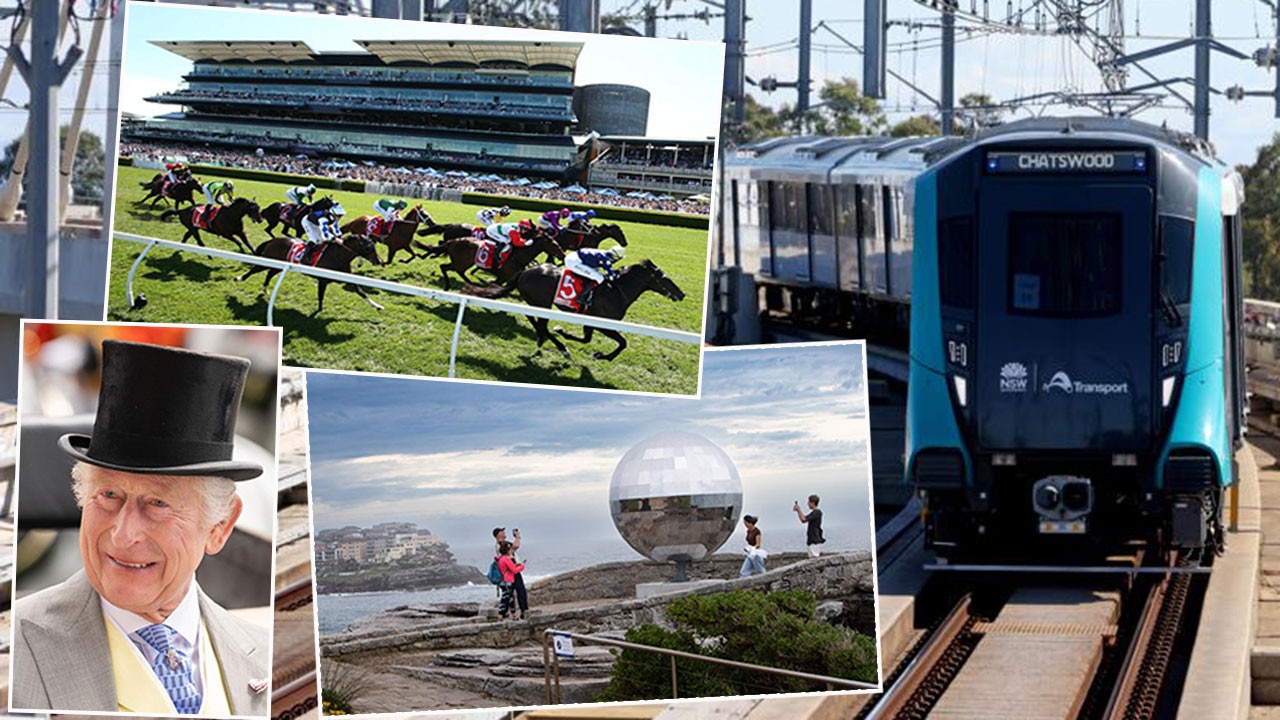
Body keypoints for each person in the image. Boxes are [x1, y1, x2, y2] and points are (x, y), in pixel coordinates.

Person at [11, 340, 270, 716]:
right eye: (108, 494)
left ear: (220, 526)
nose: (122, 534)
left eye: (158, 503)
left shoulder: (265, 651)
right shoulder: (18, 649)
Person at [492, 527, 528, 620]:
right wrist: (517, 537)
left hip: (508, 572)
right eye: (502, 531)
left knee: (509, 595)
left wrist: (517, 538)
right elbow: (515, 547)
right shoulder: (501, 544)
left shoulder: (503, 544)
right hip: (510, 572)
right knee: (517, 592)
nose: (504, 533)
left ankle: (507, 613)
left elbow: (514, 547)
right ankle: (520, 611)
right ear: (498, 534)